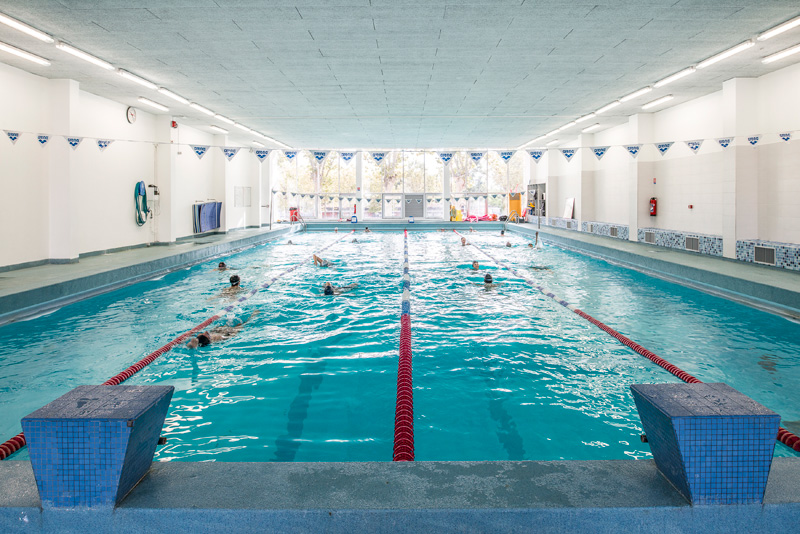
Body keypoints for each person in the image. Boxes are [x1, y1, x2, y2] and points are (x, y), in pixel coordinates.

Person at [186, 311, 259, 349]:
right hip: (226, 334)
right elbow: (229, 336)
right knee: (241, 325)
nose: (206, 331)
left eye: (203, 333)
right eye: (207, 334)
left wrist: (193, 343)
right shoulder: (219, 339)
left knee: (225, 325)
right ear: (209, 339)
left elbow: (189, 345)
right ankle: (253, 317)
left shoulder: (202, 340)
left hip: (219, 331)